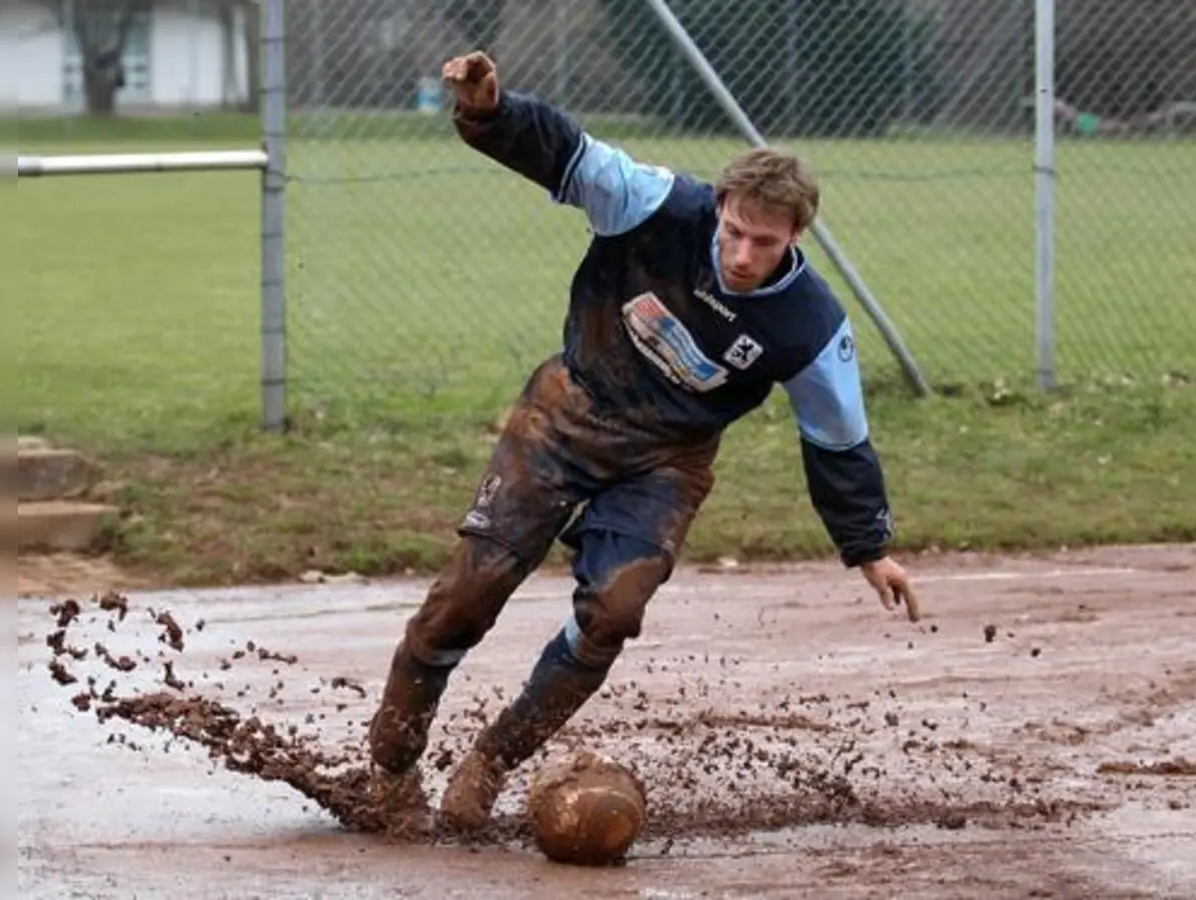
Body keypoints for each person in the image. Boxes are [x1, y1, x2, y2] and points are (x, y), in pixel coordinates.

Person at [367, 50, 920, 832]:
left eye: (765, 243)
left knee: (616, 609)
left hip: (666, 459)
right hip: (567, 411)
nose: (742, 254)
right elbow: (568, 153)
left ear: (797, 234)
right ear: (720, 204)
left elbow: (839, 441)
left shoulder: (811, 326)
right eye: (734, 231)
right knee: (468, 592)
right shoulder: (658, 206)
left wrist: (869, 546)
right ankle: (390, 770)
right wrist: (491, 111)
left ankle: (491, 763)